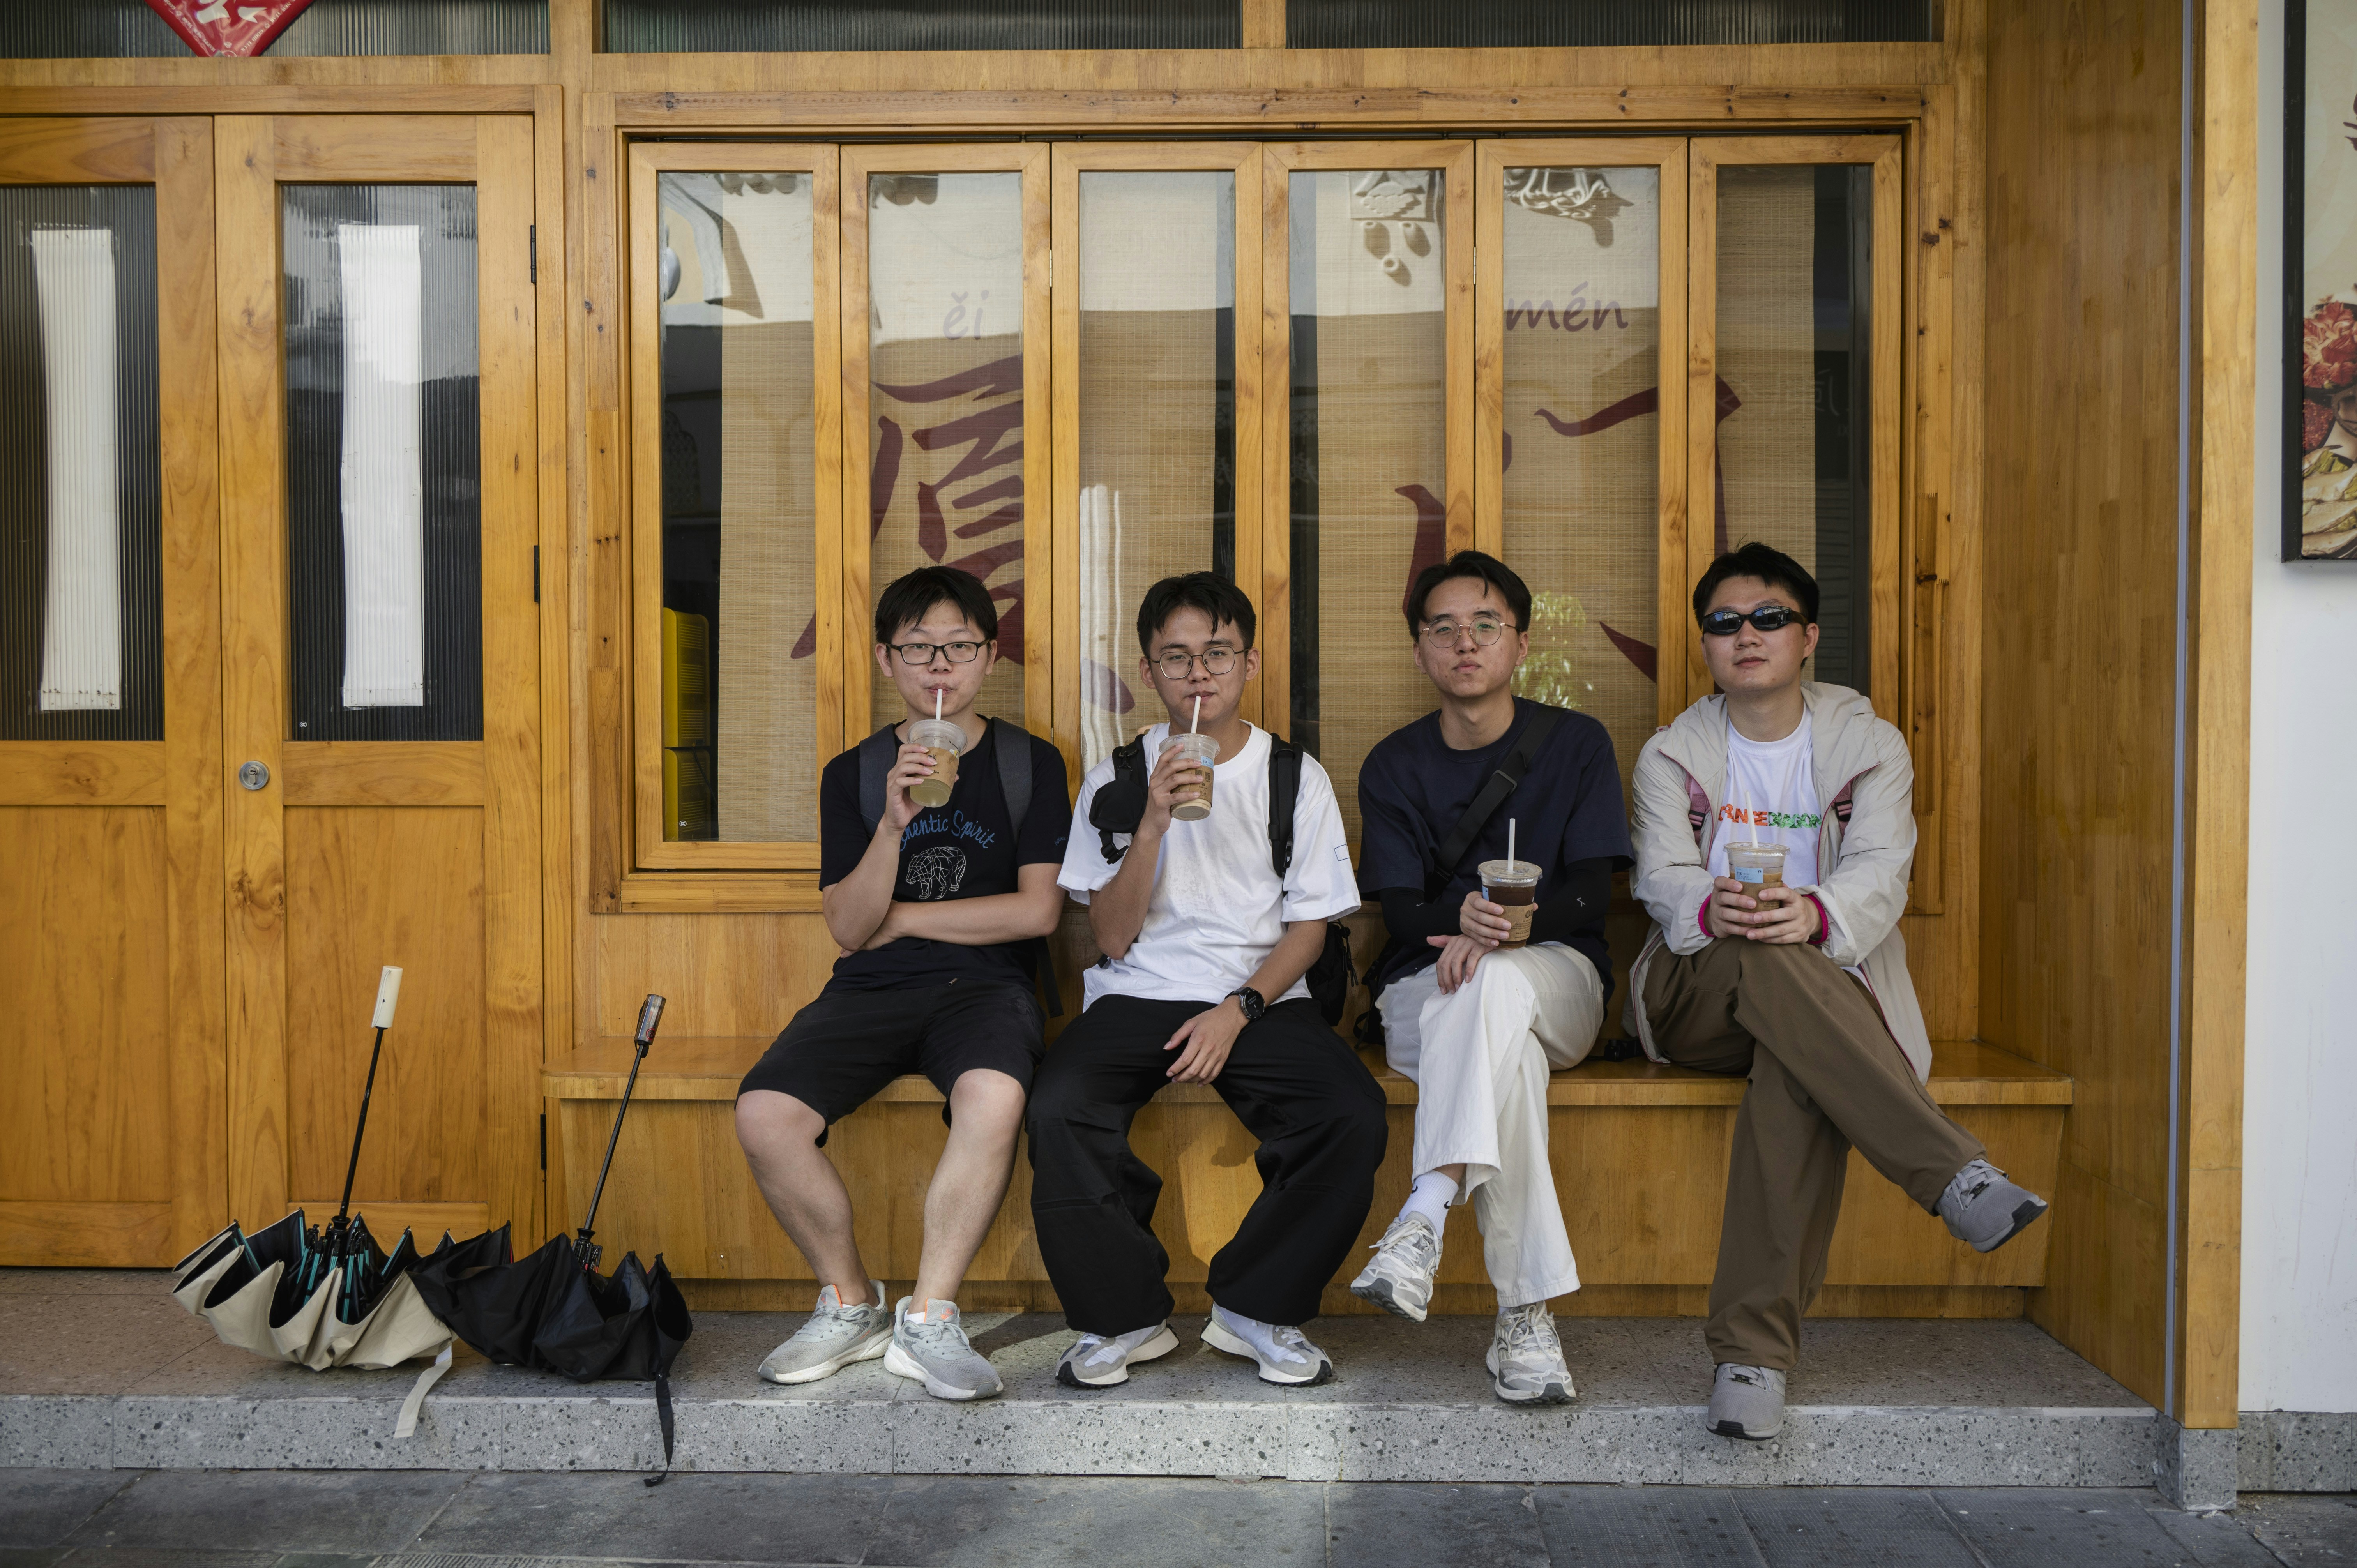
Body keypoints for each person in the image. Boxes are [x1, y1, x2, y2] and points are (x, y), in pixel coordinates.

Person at [1629, 542, 2050, 1441]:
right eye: (1726, 622)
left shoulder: (1869, 746)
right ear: (1707, 643)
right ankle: (1951, 1174)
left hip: (1825, 996)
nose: (1748, 635)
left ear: (1809, 636)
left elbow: (1883, 875)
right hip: (1697, 988)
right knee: (1767, 958)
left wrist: (1813, 915)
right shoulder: (1673, 754)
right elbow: (1663, 885)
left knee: (1798, 1055)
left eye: (1770, 618)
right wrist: (1732, 909)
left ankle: (1752, 1360)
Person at [1027, 572, 1386, 1390]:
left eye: (1217, 653)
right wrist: (1151, 820)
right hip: (1137, 991)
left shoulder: (1293, 774)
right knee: (1059, 1107)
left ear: (1249, 662)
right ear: (1149, 672)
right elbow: (1111, 936)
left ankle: (1256, 1306)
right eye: (1177, 657)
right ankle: (1122, 1316)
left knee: (1350, 1112)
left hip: (1261, 993)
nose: (1199, 673)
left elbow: (1309, 927)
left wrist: (1240, 1007)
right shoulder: (1118, 776)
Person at [734, 566, 1070, 1402]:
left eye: (958, 646)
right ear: (887, 660)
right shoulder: (854, 773)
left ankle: (929, 1316)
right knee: (764, 1113)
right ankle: (851, 1302)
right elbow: (849, 928)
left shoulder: (1032, 764)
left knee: (994, 1095)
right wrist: (890, 826)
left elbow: (1036, 914)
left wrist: (914, 918)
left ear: (990, 655)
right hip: (873, 984)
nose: (940, 668)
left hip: (987, 984)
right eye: (919, 648)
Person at [1347, 551, 1633, 1405]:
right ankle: (1525, 1315)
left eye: (1485, 625)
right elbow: (1398, 912)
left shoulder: (1575, 744)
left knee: (1501, 985)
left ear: (1520, 641)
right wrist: (1465, 921)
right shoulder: (1393, 763)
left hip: (1561, 981)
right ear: (1420, 649)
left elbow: (1595, 887)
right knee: (1494, 1021)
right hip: (1424, 994)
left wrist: (1518, 926)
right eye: (1442, 628)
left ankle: (1426, 1208)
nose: (1464, 643)